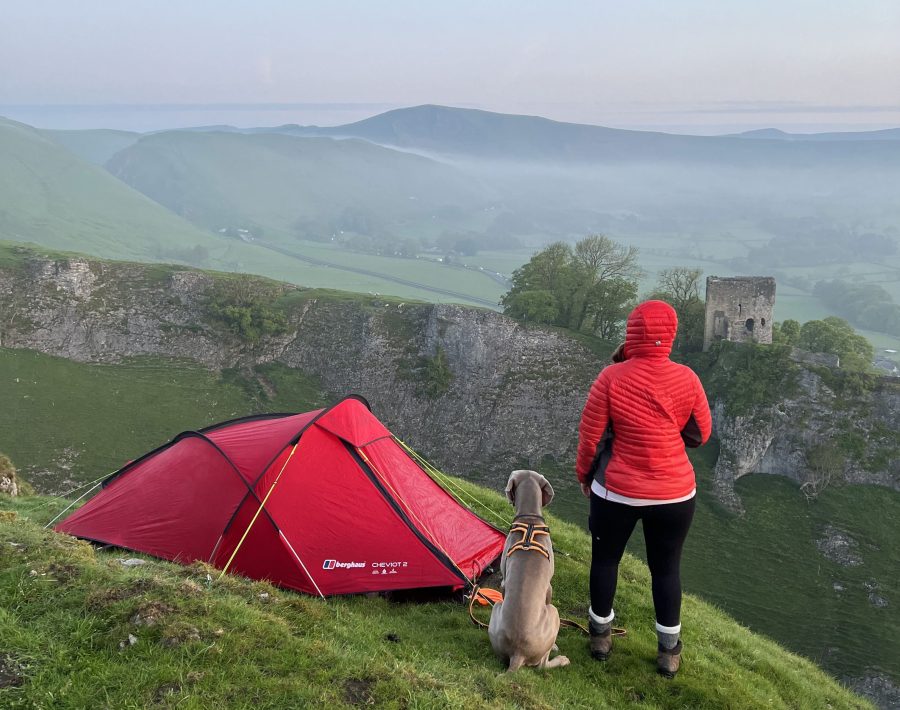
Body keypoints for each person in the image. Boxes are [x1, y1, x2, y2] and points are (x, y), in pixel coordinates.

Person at [575, 300, 711, 678]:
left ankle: (600, 637)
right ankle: (669, 652)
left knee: (605, 560)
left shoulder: (611, 377)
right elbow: (701, 434)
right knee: (666, 570)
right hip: (674, 494)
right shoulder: (687, 378)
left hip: (616, 490)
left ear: (632, 331)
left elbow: (590, 438)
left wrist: (585, 475)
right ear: (669, 336)